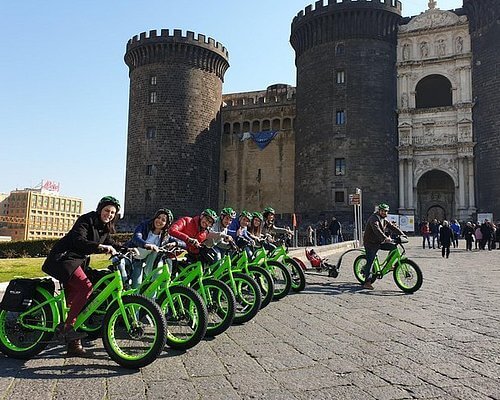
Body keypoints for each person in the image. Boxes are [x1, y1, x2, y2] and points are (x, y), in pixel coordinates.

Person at [41, 196, 120, 357]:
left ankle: (73, 345)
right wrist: (99, 247)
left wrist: (132, 248)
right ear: (100, 209)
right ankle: (67, 328)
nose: (109, 214)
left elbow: (113, 243)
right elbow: (79, 240)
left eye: (113, 212)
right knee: (85, 287)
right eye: (107, 210)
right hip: (63, 259)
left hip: (76, 262)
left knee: (74, 300)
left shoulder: (104, 228)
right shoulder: (86, 220)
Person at [125, 208, 177, 288]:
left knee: (155, 278)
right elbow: (136, 238)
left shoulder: (165, 236)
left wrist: (175, 243)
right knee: (136, 287)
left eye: (163, 220)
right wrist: (146, 245)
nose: (159, 221)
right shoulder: (144, 226)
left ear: (166, 224)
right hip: (133, 259)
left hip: (146, 261)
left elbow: (182, 243)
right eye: (158, 217)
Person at [362, 203, 405, 290]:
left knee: (393, 247)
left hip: (379, 241)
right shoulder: (373, 219)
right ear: (379, 211)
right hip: (371, 243)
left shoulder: (384, 219)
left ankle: (389, 265)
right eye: (382, 211)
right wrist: (385, 238)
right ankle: (367, 282)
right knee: (370, 261)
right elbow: (376, 230)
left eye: (386, 211)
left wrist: (402, 234)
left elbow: (392, 227)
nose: (384, 213)